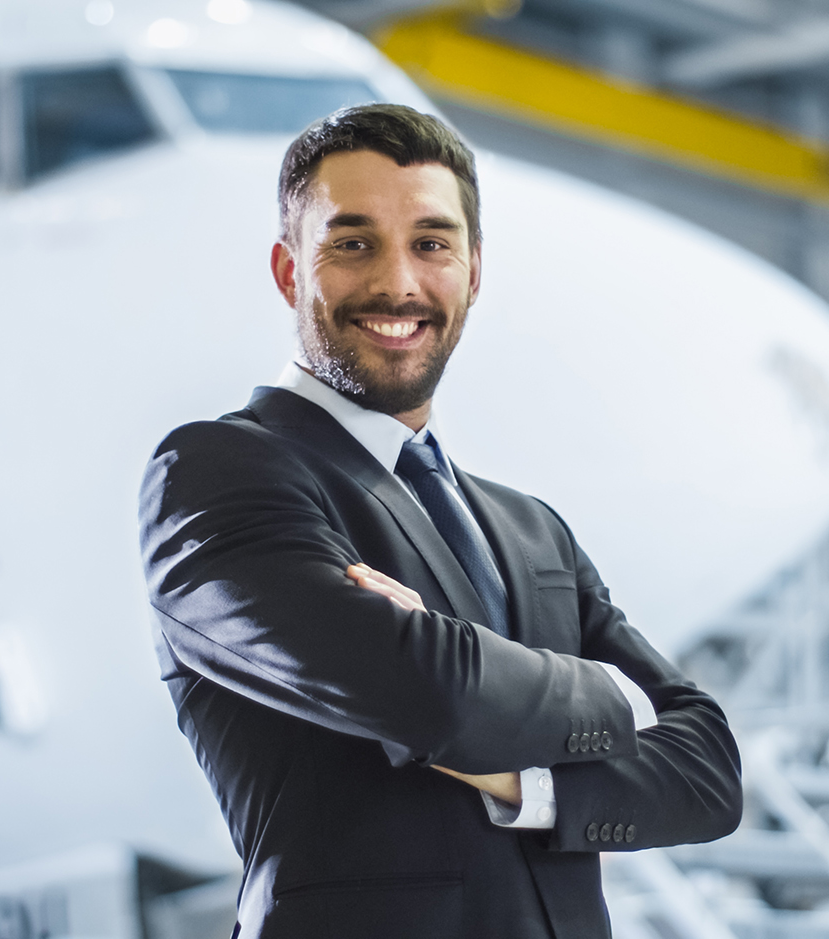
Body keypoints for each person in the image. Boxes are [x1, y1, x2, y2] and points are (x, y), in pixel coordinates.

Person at [138, 103, 742, 939]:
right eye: (352, 244)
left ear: (473, 271)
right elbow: (426, 691)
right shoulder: (218, 472)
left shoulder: (532, 529)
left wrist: (519, 776)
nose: (398, 284)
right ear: (288, 272)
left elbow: (708, 773)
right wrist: (614, 697)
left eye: (431, 244)